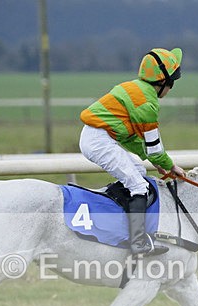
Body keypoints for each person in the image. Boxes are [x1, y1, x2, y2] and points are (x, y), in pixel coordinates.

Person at [79, 47, 186, 257]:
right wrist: (170, 165)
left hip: (101, 137)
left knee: (138, 170)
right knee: (138, 185)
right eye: (172, 83)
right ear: (163, 81)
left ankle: (124, 223)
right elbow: (154, 147)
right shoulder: (146, 103)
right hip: (99, 140)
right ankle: (137, 243)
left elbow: (133, 139)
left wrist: (156, 162)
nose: (171, 89)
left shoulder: (136, 89)